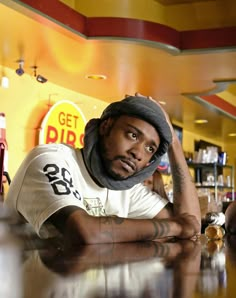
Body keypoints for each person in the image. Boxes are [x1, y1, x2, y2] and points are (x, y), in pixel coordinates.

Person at [5, 94, 201, 246]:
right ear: (106, 127)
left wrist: (173, 143)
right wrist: (177, 226)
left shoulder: (126, 189)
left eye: (150, 148)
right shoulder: (52, 159)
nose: (137, 153)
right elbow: (83, 231)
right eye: (132, 135)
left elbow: (192, 226)